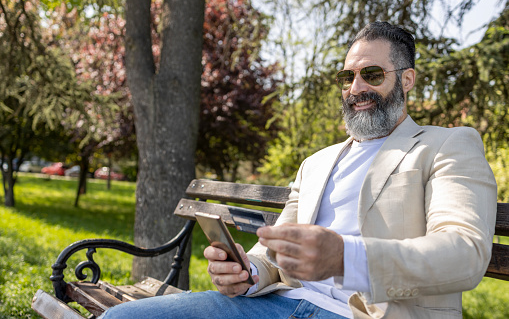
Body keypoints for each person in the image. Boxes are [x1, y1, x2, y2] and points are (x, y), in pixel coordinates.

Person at [101, 21, 497, 319]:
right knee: (121, 317)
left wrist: (346, 258)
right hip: (278, 304)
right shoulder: (317, 163)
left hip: (365, 314)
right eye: (347, 77)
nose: (356, 87)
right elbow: (274, 252)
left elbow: (465, 252)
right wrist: (248, 270)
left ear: (407, 80)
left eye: (372, 75)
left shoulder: (448, 144)